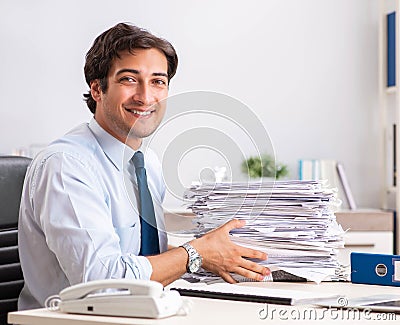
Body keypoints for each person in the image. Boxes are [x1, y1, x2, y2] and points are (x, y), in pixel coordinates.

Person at [18, 22, 269, 310]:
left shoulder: (146, 162)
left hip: (140, 313)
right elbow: (102, 282)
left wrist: (215, 256)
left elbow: (133, 253)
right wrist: (195, 254)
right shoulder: (67, 166)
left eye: (158, 82)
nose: (146, 96)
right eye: (128, 79)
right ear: (97, 89)